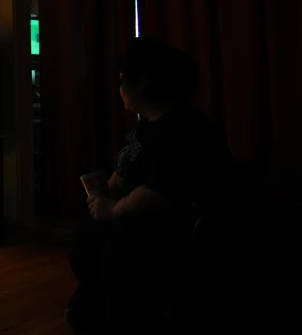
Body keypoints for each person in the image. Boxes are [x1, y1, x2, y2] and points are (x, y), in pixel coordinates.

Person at [66, 36, 234, 335]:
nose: (119, 90)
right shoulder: (149, 123)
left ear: (141, 82)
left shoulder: (182, 130)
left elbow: (151, 195)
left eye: (122, 81)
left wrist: (113, 209)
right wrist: (108, 190)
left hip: (158, 235)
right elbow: (129, 163)